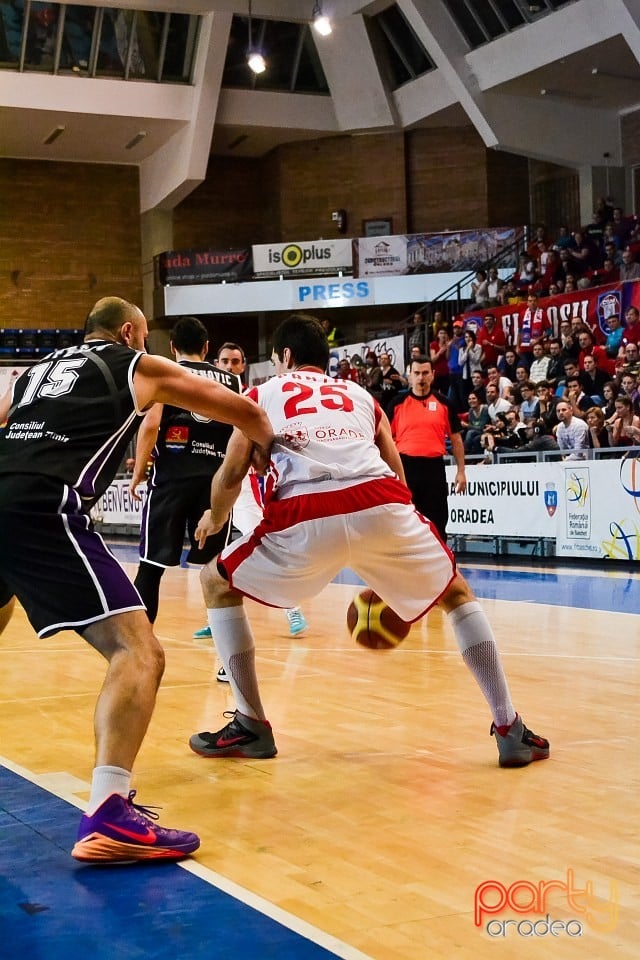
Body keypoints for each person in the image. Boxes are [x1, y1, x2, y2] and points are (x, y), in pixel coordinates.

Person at [189, 313, 549, 768]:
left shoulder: (261, 394)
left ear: (285, 357)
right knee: (455, 592)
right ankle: (509, 728)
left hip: (306, 511)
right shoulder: (360, 394)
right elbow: (395, 468)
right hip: (379, 498)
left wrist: (214, 515)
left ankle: (251, 724)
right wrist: (387, 561)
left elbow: (232, 473)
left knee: (214, 582)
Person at [0, 296, 273, 863]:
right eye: (144, 337)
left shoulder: (34, 372)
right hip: (42, 507)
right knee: (139, 651)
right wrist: (269, 446)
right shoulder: (134, 364)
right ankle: (110, 811)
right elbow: (235, 407)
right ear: (129, 333)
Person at [193, 339, 308, 646]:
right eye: (224, 361)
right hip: (209, 480)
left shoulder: (252, 400)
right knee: (211, 552)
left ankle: (293, 608)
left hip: (241, 487)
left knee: (262, 542)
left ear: (242, 367)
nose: (230, 366)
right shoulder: (204, 399)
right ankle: (214, 618)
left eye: (235, 362)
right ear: (216, 364)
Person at [130, 317, 241, 625]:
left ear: (172, 346)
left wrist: (139, 469)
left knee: (150, 569)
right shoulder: (233, 381)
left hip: (170, 481)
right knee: (217, 571)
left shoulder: (166, 373)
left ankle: (138, 654)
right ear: (207, 348)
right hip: (215, 485)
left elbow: (151, 424)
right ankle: (226, 661)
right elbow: (241, 431)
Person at [388, 355, 466, 543]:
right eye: (416, 373)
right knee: (405, 520)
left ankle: (440, 565)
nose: (421, 378)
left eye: (425, 373)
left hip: (434, 469)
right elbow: (386, 440)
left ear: (432, 375)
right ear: (410, 375)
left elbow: (456, 439)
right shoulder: (397, 403)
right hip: (406, 468)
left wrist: (461, 471)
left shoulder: (444, 404)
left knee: (438, 520)